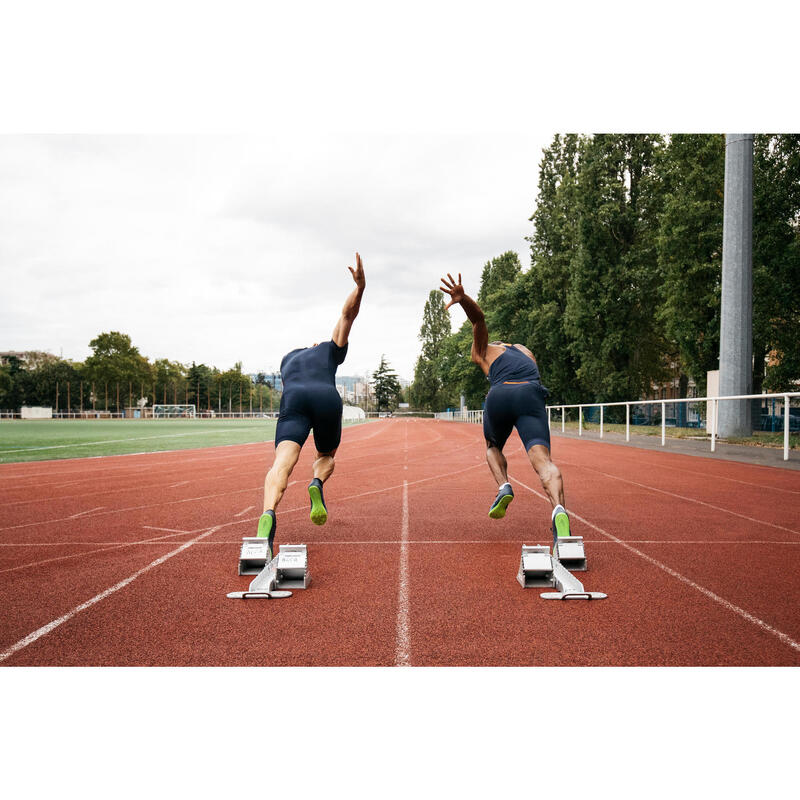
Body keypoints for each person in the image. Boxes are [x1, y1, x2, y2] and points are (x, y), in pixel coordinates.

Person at [439, 272, 572, 545]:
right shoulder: (525, 351)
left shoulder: (482, 351)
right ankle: (559, 510)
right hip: (531, 393)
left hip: (500, 393)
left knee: (492, 447)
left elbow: (478, 319)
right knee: (544, 462)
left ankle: (504, 486)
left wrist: (463, 300)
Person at [256, 253, 366, 559]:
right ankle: (316, 482)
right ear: (318, 345)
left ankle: (267, 515)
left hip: (293, 400)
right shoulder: (328, 350)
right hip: (325, 396)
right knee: (326, 455)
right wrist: (360, 288)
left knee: (281, 464)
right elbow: (347, 316)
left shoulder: (288, 359)